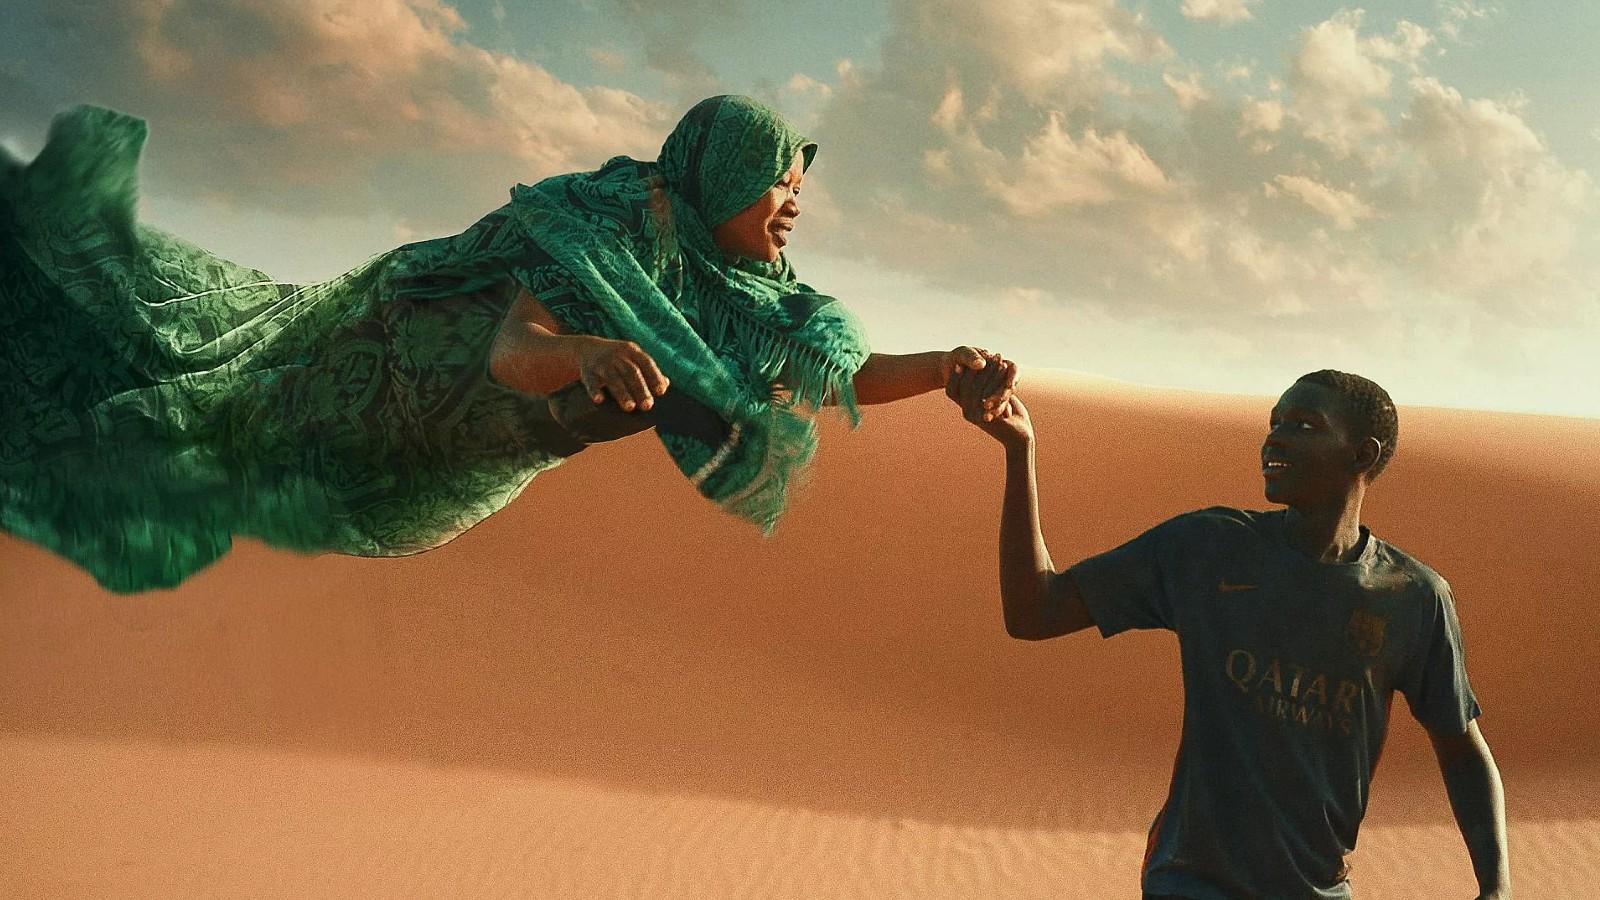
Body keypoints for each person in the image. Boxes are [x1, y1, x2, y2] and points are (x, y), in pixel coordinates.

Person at [0, 95, 1014, 593]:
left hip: (451, 455)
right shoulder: (608, 221)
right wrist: (582, 355)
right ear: (720, 171)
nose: (791, 202)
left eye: (799, 184)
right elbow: (515, 343)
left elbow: (822, 371)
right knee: (180, 392)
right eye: (776, 179)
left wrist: (940, 372)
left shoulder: (751, 293)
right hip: (391, 354)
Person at [947, 364, 1508, 899]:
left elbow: (1461, 749)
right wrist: (1020, 452)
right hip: (1188, 883)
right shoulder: (1207, 547)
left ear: (1363, 455)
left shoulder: (1413, 597)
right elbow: (1034, 612)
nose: (1275, 440)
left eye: (1305, 427)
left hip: (1317, 890)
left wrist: (1496, 887)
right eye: (1274, 424)